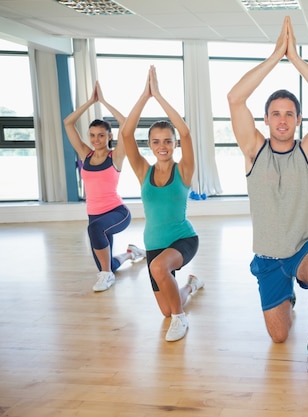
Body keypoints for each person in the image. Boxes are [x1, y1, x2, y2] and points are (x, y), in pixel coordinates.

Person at [227, 16, 308, 374]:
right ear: (265, 120)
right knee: (277, 336)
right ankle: (288, 294)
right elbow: (234, 98)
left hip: (305, 246)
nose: (282, 119)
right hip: (268, 255)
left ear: (298, 120)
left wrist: (297, 60)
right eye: (275, 113)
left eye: (289, 114)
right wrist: (276, 56)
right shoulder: (252, 150)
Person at [121, 66, 204, 342]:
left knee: (158, 268)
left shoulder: (184, 170)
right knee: (166, 311)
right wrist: (145, 96)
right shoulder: (143, 171)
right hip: (155, 243)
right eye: (156, 142)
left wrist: (159, 95)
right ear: (150, 145)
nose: (162, 146)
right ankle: (190, 286)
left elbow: (187, 133)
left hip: (183, 239)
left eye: (167, 141)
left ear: (174, 143)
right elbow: (125, 135)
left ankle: (183, 321)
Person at [63, 81, 146, 292]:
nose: (96, 139)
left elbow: (126, 124)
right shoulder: (85, 155)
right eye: (92, 135)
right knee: (106, 264)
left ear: (109, 136)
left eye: (101, 135)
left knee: (96, 237)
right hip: (94, 216)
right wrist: (90, 102)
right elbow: (68, 123)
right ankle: (131, 253)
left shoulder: (116, 156)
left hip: (117, 213)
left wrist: (105, 102)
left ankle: (106, 276)